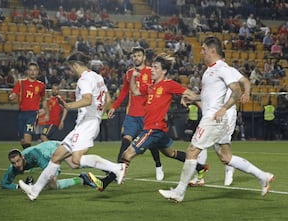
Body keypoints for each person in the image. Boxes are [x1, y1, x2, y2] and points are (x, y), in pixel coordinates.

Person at [158, 36, 274, 203]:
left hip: (212, 118)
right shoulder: (209, 71)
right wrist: (194, 99)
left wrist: (224, 108)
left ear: (212, 50)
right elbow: (208, 97)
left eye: (204, 50)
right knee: (226, 157)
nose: (202, 53)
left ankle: (179, 192)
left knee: (192, 151)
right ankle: (263, 176)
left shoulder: (222, 68)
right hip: (214, 117)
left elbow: (236, 91)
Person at [86, 54, 209, 192]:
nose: (152, 70)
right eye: (152, 67)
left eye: (156, 68)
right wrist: (133, 77)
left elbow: (191, 94)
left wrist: (202, 108)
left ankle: (104, 182)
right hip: (159, 130)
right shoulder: (150, 86)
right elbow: (135, 91)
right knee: (171, 153)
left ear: (164, 71)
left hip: (153, 129)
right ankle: (200, 167)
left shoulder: (169, 85)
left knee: (127, 155)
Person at [18, 51, 126, 201]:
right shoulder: (97, 76)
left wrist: (69, 106)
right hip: (89, 122)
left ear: (75, 65)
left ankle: (116, 168)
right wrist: (98, 113)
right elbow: (107, 99)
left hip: (87, 123)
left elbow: (87, 100)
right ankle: (34, 191)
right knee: (57, 156)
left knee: (76, 160)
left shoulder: (84, 80)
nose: (70, 70)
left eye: (71, 67)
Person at [105, 47, 165, 184]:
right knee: (125, 141)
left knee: (151, 143)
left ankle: (158, 164)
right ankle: (118, 171)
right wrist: (114, 107)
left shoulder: (151, 72)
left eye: (138, 55)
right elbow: (124, 92)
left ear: (144, 58)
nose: (136, 58)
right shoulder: (129, 73)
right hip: (131, 114)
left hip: (146, 115)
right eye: (134, 56)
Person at [189, 64, 251, 187]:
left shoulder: (229, 70)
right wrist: (194, 99)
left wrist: (247, 92)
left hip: (228, 112)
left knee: (222, 145)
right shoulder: (209, 72)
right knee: (201, 142)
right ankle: (199, 176)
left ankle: (229, 167)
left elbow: (245, 81)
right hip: (213, 110)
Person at [1, 140, 95, 190]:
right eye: (13, 163)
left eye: (18, 161)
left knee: (75, 163)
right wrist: (19, 186)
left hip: (53, 148)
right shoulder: (13, 168)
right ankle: (82, 179)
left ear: (22, 157)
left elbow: (47, 168)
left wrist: (38, 185)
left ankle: (104, 166)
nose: (16, 164)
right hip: (48, 155)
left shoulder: (33, 154)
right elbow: (4, 183)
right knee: (52, 186)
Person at [9, 62, 47, 149]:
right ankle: (27, 156)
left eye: (34, 70)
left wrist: (46, 112)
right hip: (21, 113)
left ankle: (29, 159)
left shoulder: (41, 85)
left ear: (37, 72)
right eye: (30, 70)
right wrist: (12, 96)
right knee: (23, 141)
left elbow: (44, 99)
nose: (32, 72)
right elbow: (14, 94)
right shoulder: (20, 83)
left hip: (33, 114)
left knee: (27, 136)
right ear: (27, 71)